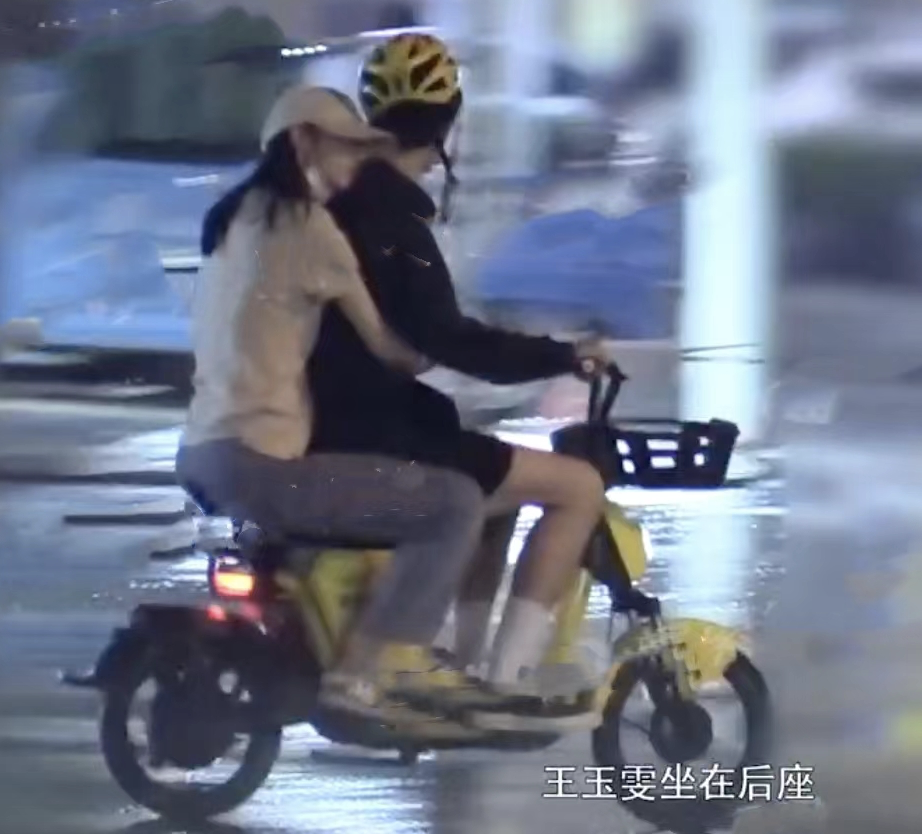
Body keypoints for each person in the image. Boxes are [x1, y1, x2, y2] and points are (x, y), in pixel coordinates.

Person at [308, 35, 610, 728]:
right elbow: (448, 338)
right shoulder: (394, 219)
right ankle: (505, 684)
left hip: (342, 413)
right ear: (449, 124)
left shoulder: (344, 204)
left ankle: (460, 664)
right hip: (376, 431)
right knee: (577, 487)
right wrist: (563, 356)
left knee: (498, 487)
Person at [174, 84, 489, 722]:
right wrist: (444, 349)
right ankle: (370, 671)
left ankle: (336, 646)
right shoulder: (311, 227)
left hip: (203, 454)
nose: (356, 162)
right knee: (454, 503)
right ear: (303, 143)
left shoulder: (230, 221)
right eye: (345, 147)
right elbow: (391, 349)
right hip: (264, 463)